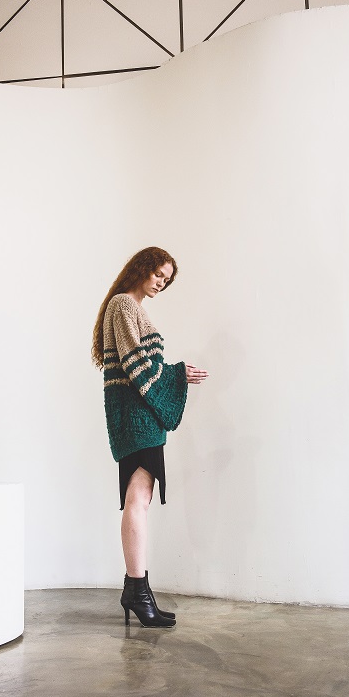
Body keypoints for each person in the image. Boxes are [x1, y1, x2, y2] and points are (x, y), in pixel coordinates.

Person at [92, 246, 208, 627]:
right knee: (138, 500)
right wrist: (176, 374)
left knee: (138, 499)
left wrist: (174, 373)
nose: (161, 283)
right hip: (137, 416)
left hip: (138, 414)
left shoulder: (130, 306)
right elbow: (136, 364)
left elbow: (139, 364)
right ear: (142, 268)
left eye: (166, 280)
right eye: (158, 274)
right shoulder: (124, 304)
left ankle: (137, 591)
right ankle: (137, 592)